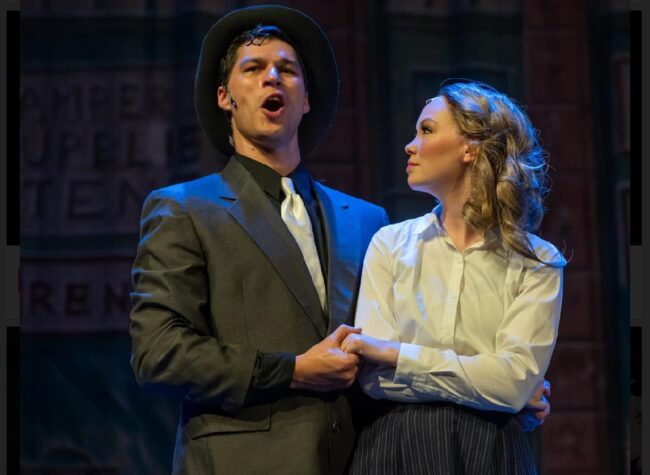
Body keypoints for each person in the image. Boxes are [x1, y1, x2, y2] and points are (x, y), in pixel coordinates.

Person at [129, 5, 389, 474]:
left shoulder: (367, 221)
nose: (273, 77)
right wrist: (292, 370)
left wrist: (497, 390)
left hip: (362, 459)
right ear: (225, 96)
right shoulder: (184, 208)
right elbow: (158, 354)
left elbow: (405, 338)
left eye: (287, 70)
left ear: (306, 99)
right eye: (254, 68)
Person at [341, 81, 566, 474]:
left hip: (492, 452)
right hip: (397, 447)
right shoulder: (390, 244)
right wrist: (491, 385)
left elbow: (512, 383)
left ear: (471, 147)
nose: (410, 146)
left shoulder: (538, 261)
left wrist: (396, 354)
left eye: (426, 130)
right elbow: (374, 381)